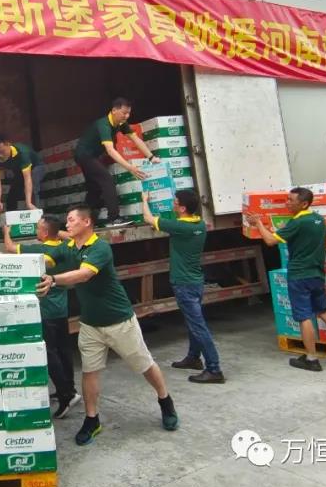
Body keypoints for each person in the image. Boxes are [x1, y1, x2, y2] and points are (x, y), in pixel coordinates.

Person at [37, 204, 178, 446]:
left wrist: (54, 280)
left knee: (144, 365)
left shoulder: (100, 248)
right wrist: (10, 261)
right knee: (90, 371)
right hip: (91, 325)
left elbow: (84, 274)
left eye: (71, 220)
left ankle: (165, 401)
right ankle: (92, 420)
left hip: (118, 321)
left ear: (86, 222)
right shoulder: (69, 247)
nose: (66, 224)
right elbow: (46, 258)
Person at [251, 188, 326, 371]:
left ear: (304, 204)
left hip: (299, 275)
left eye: (291, 200)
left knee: (304, 317)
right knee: (324, 311)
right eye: (287, 199)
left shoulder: (297, 222)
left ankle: (311, 358)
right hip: (317, 273)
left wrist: (258, 224)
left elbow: (270, 241)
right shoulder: (319, 219)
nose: (287, 203)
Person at [142, 190, 225, 383]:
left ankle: (214, 369)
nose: (173, 203)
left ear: (182, 208)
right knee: (193, 322)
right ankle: (193, 358)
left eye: (175, 202)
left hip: (184, 283)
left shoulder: (180, 227)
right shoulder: (200, 224)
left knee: (198, 326)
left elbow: (148, 218)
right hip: (196, 281)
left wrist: (144, 200)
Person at [3, 215, 81, 418]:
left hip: (46, 310)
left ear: (45, 233)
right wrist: (56, 230)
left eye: (38, 228)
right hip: (61, 309)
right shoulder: (66, 247)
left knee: (49, 353)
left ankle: (66, 395)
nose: (36, 231)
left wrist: (6, 231)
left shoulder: (39, 250)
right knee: (64, 350)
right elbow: (67, 236)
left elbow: (10, 247)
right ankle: (70, 388)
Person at [73, 98, 160, 228]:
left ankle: (83, 221)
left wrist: (151, 157)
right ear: (114, 110)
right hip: (84, 155)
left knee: (94, 189)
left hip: (92, 156)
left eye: (129, 113)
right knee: (107, 180)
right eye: (124, 113)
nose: (127, 116)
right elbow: (110, 150)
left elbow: (135, 139)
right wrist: (130, 167)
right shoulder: (103, 125)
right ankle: (113, 218)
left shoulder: (121, 123)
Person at [0, 134, 44, 215]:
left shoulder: (22, 152)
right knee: (12, 194)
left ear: (8, 144)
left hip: (36, 167)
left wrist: (28, 203)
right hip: (19, 172)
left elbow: (27, 178)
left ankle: (37, 215)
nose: (0, 156)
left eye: (2, 151)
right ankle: (10, 217)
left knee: (33, 186)